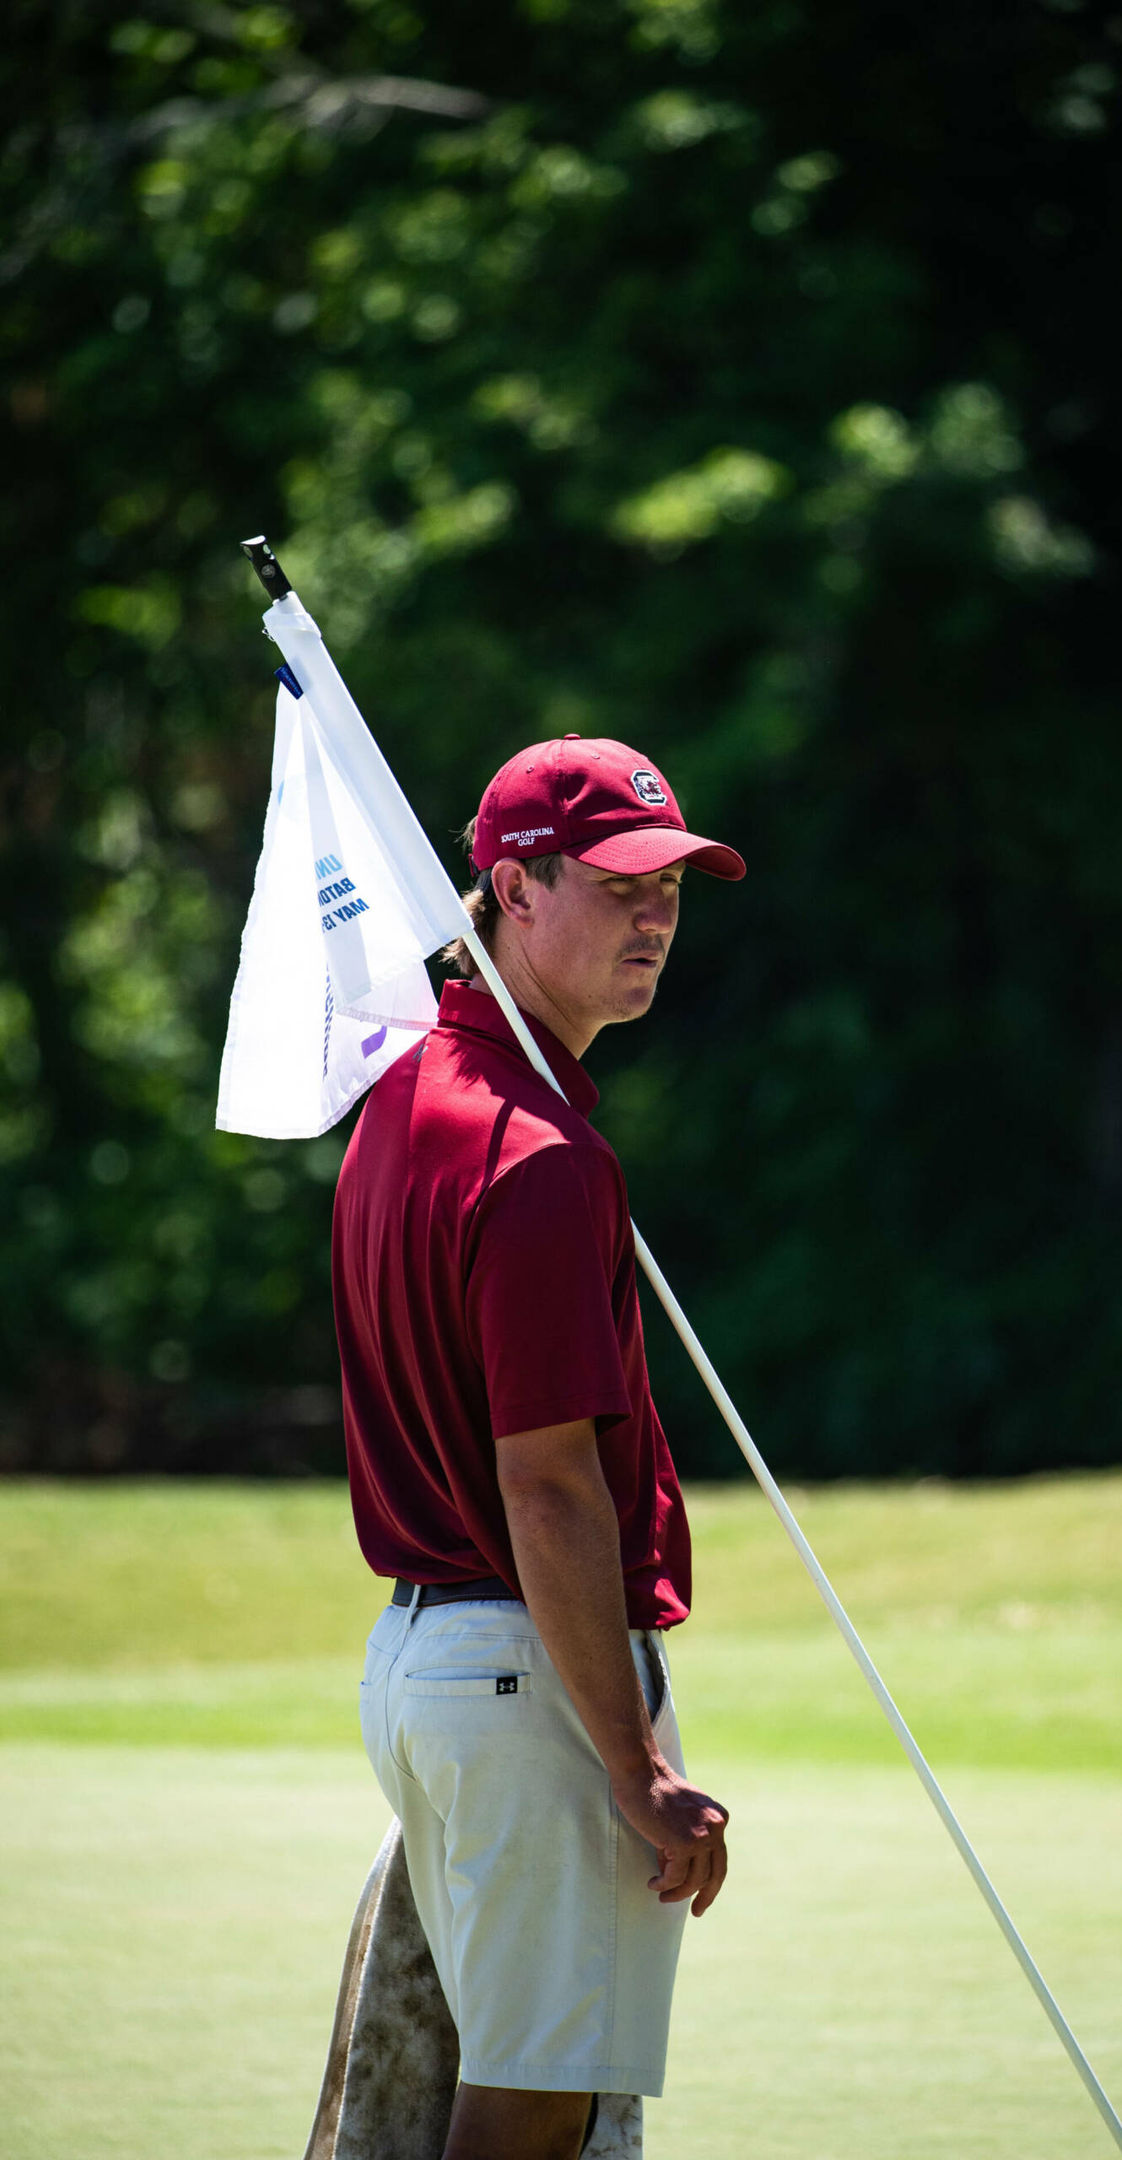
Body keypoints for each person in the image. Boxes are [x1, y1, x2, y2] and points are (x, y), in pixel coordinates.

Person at [331, 734, 744, 2160]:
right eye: (620, 887)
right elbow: (549, 1481)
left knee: (499, 2089)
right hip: (527, 1674)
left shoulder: (403, 1101)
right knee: (530, 2109)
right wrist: (633, 1767)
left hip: (429, 1667)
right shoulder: (541, 1153)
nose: (654, 922)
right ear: (511, 888)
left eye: (672, 891)